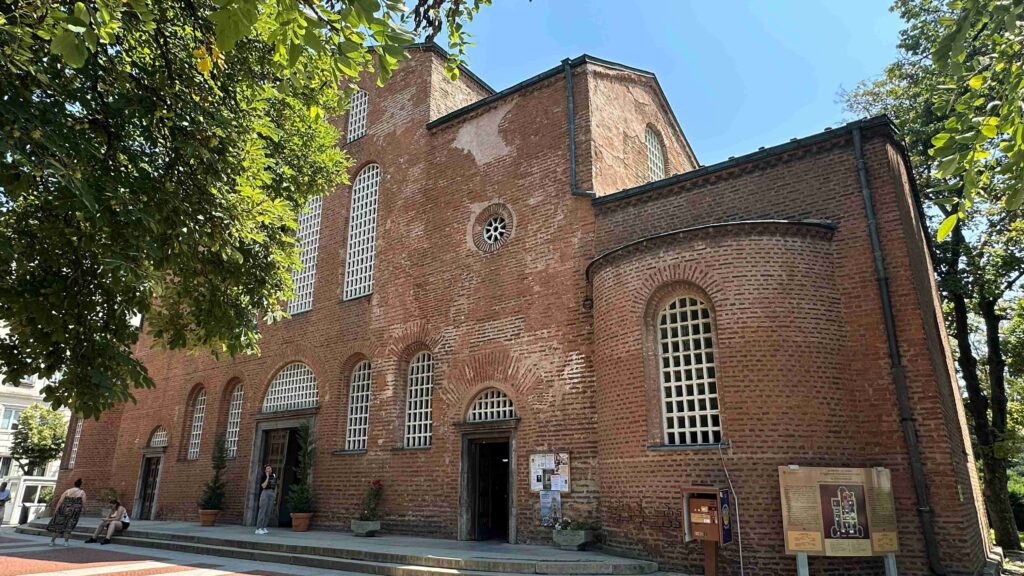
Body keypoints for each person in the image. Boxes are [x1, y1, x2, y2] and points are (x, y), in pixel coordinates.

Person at [46, 478, 86, 546]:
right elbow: (84, 502)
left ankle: (52, 541)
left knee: (58, 526)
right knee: (69, 526)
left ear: (74, 484)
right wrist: (84, 510)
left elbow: (60, 501)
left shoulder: (67, 491)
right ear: (80, 485)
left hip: (63, 510)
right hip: (74, 511)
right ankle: (66, 542)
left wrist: (56, 510)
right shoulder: (82, 492)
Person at [255, 464, 276, 535]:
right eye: (267, 469)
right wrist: (267, 477)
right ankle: (258, 528)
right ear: (265, 470)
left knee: (268, 511)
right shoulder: (263, 476)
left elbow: (275, 485)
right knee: (262, 510)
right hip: (265, 493)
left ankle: (264, 527)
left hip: (272, 493)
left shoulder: (274, 476)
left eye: (269, 468)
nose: (268, 470)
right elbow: (263, 486)